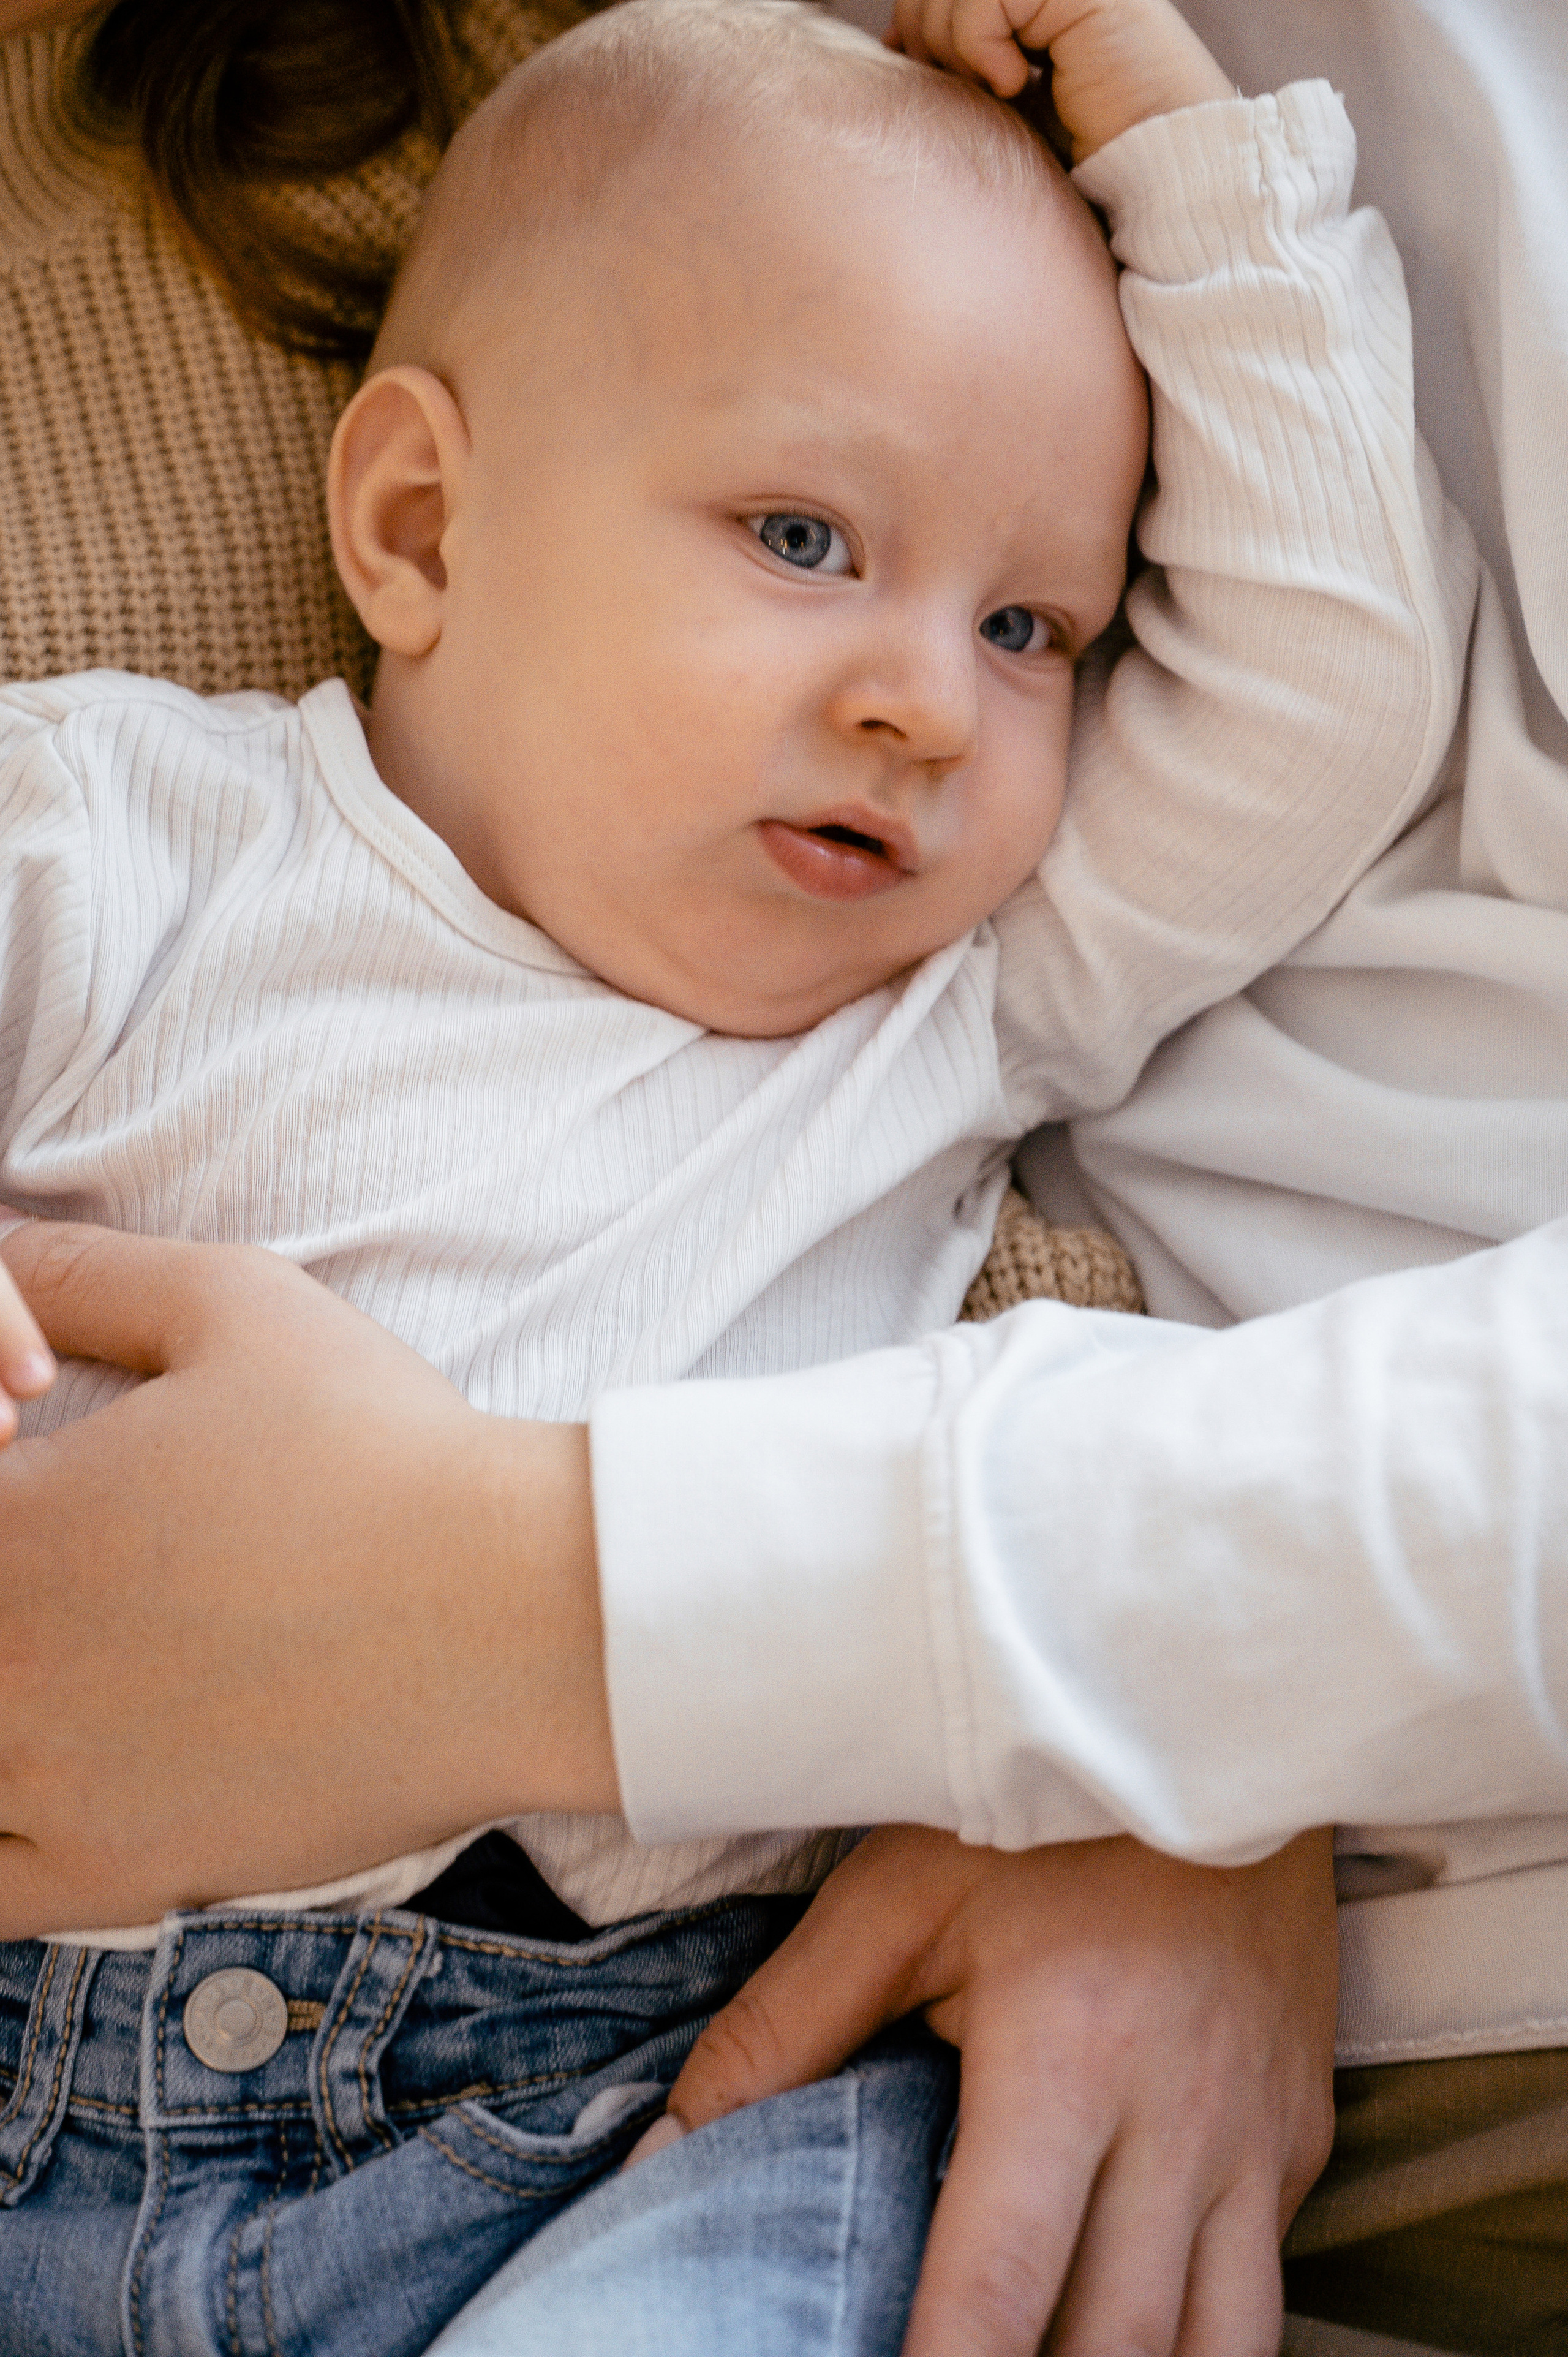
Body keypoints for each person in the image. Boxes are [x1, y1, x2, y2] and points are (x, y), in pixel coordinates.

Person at [1, 7, 1561, 2357]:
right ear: (419, 527)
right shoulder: (143, 835)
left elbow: (1329, 690)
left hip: (662, 2079)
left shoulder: (955, 1002)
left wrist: (1198, 162)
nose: (927, 697)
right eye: (805, 541)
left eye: (1027, 626)